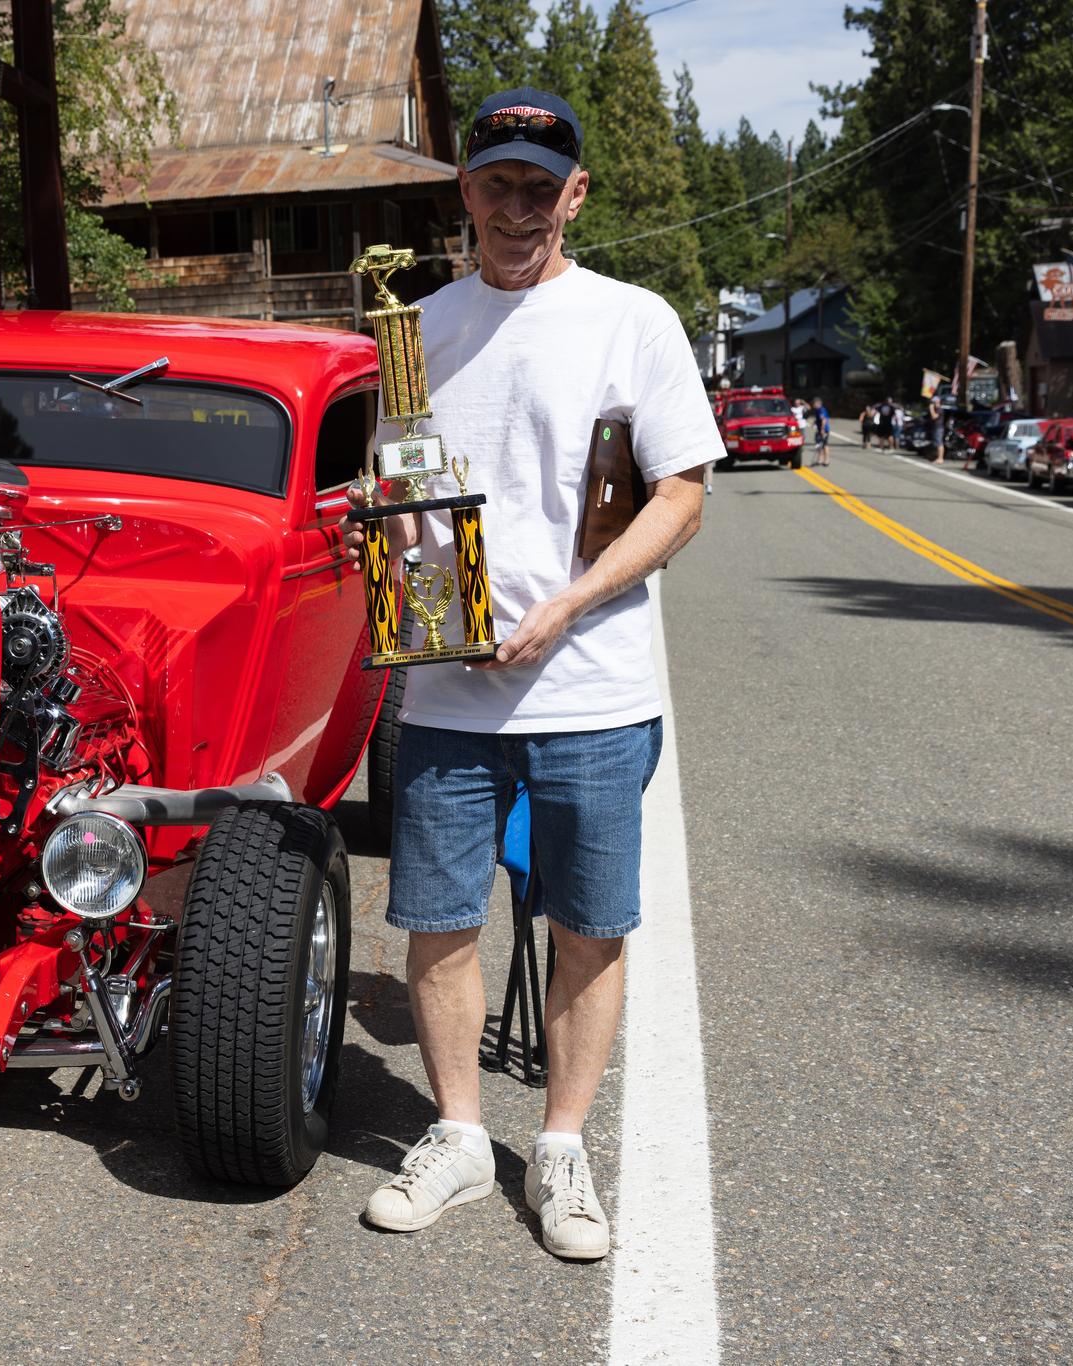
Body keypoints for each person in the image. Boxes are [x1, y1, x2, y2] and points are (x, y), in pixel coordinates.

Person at [339, 87, 710, 1261]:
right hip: (448, 689)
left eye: (538, 189)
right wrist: (379, 527)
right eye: (495, 183)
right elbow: (392, 481)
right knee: (437, 921)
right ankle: (454, 1132)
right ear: (465, 192)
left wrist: (568, 605)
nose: (516, 209)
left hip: (592, 686)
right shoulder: (418, 327)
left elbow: (682, 494)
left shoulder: (630, 320)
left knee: (588, 927)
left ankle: (556, 1145)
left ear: (574, 196)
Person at [813, 397, 831, 466]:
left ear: (818, 403)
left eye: (814, 403)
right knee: (818, 445)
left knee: (825, 445)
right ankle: (820, 459)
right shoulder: (817, 410)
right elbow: (818, 419)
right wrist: (814, 423)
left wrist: (822, 429)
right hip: (819, 430)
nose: (813, 405)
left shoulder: (821, 410)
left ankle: (826, 460)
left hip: (824, 430)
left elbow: (824, 420)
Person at [928, 395, 945, 463]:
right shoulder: (936, 409)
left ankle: (941, 458)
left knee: (939, 442)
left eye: (934, 402)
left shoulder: (939, 409)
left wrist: (931, 409)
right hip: (936, 427)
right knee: (936, 443)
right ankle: (937, 457)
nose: (933, 404)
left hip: (939, 428)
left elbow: (934, 416)